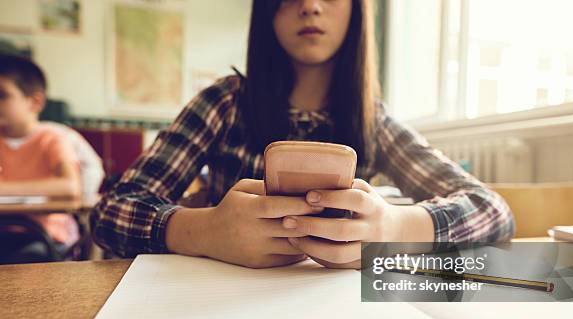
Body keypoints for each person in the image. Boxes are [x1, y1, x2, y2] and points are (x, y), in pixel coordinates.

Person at [91, 0, 515, 269]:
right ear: (267, 12)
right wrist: (205, 230)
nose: (310, 6)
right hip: (223, 307)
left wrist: (394, 225)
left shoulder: (375, 121)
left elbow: (492, 210)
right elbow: (111, 213)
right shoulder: (224, 102)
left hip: (337, 317)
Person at [0, 54, 80, 263]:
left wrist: (4, 188)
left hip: (44, 234)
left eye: (2, 95)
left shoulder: (53, 138)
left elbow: (70, 187)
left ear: (34, 102)